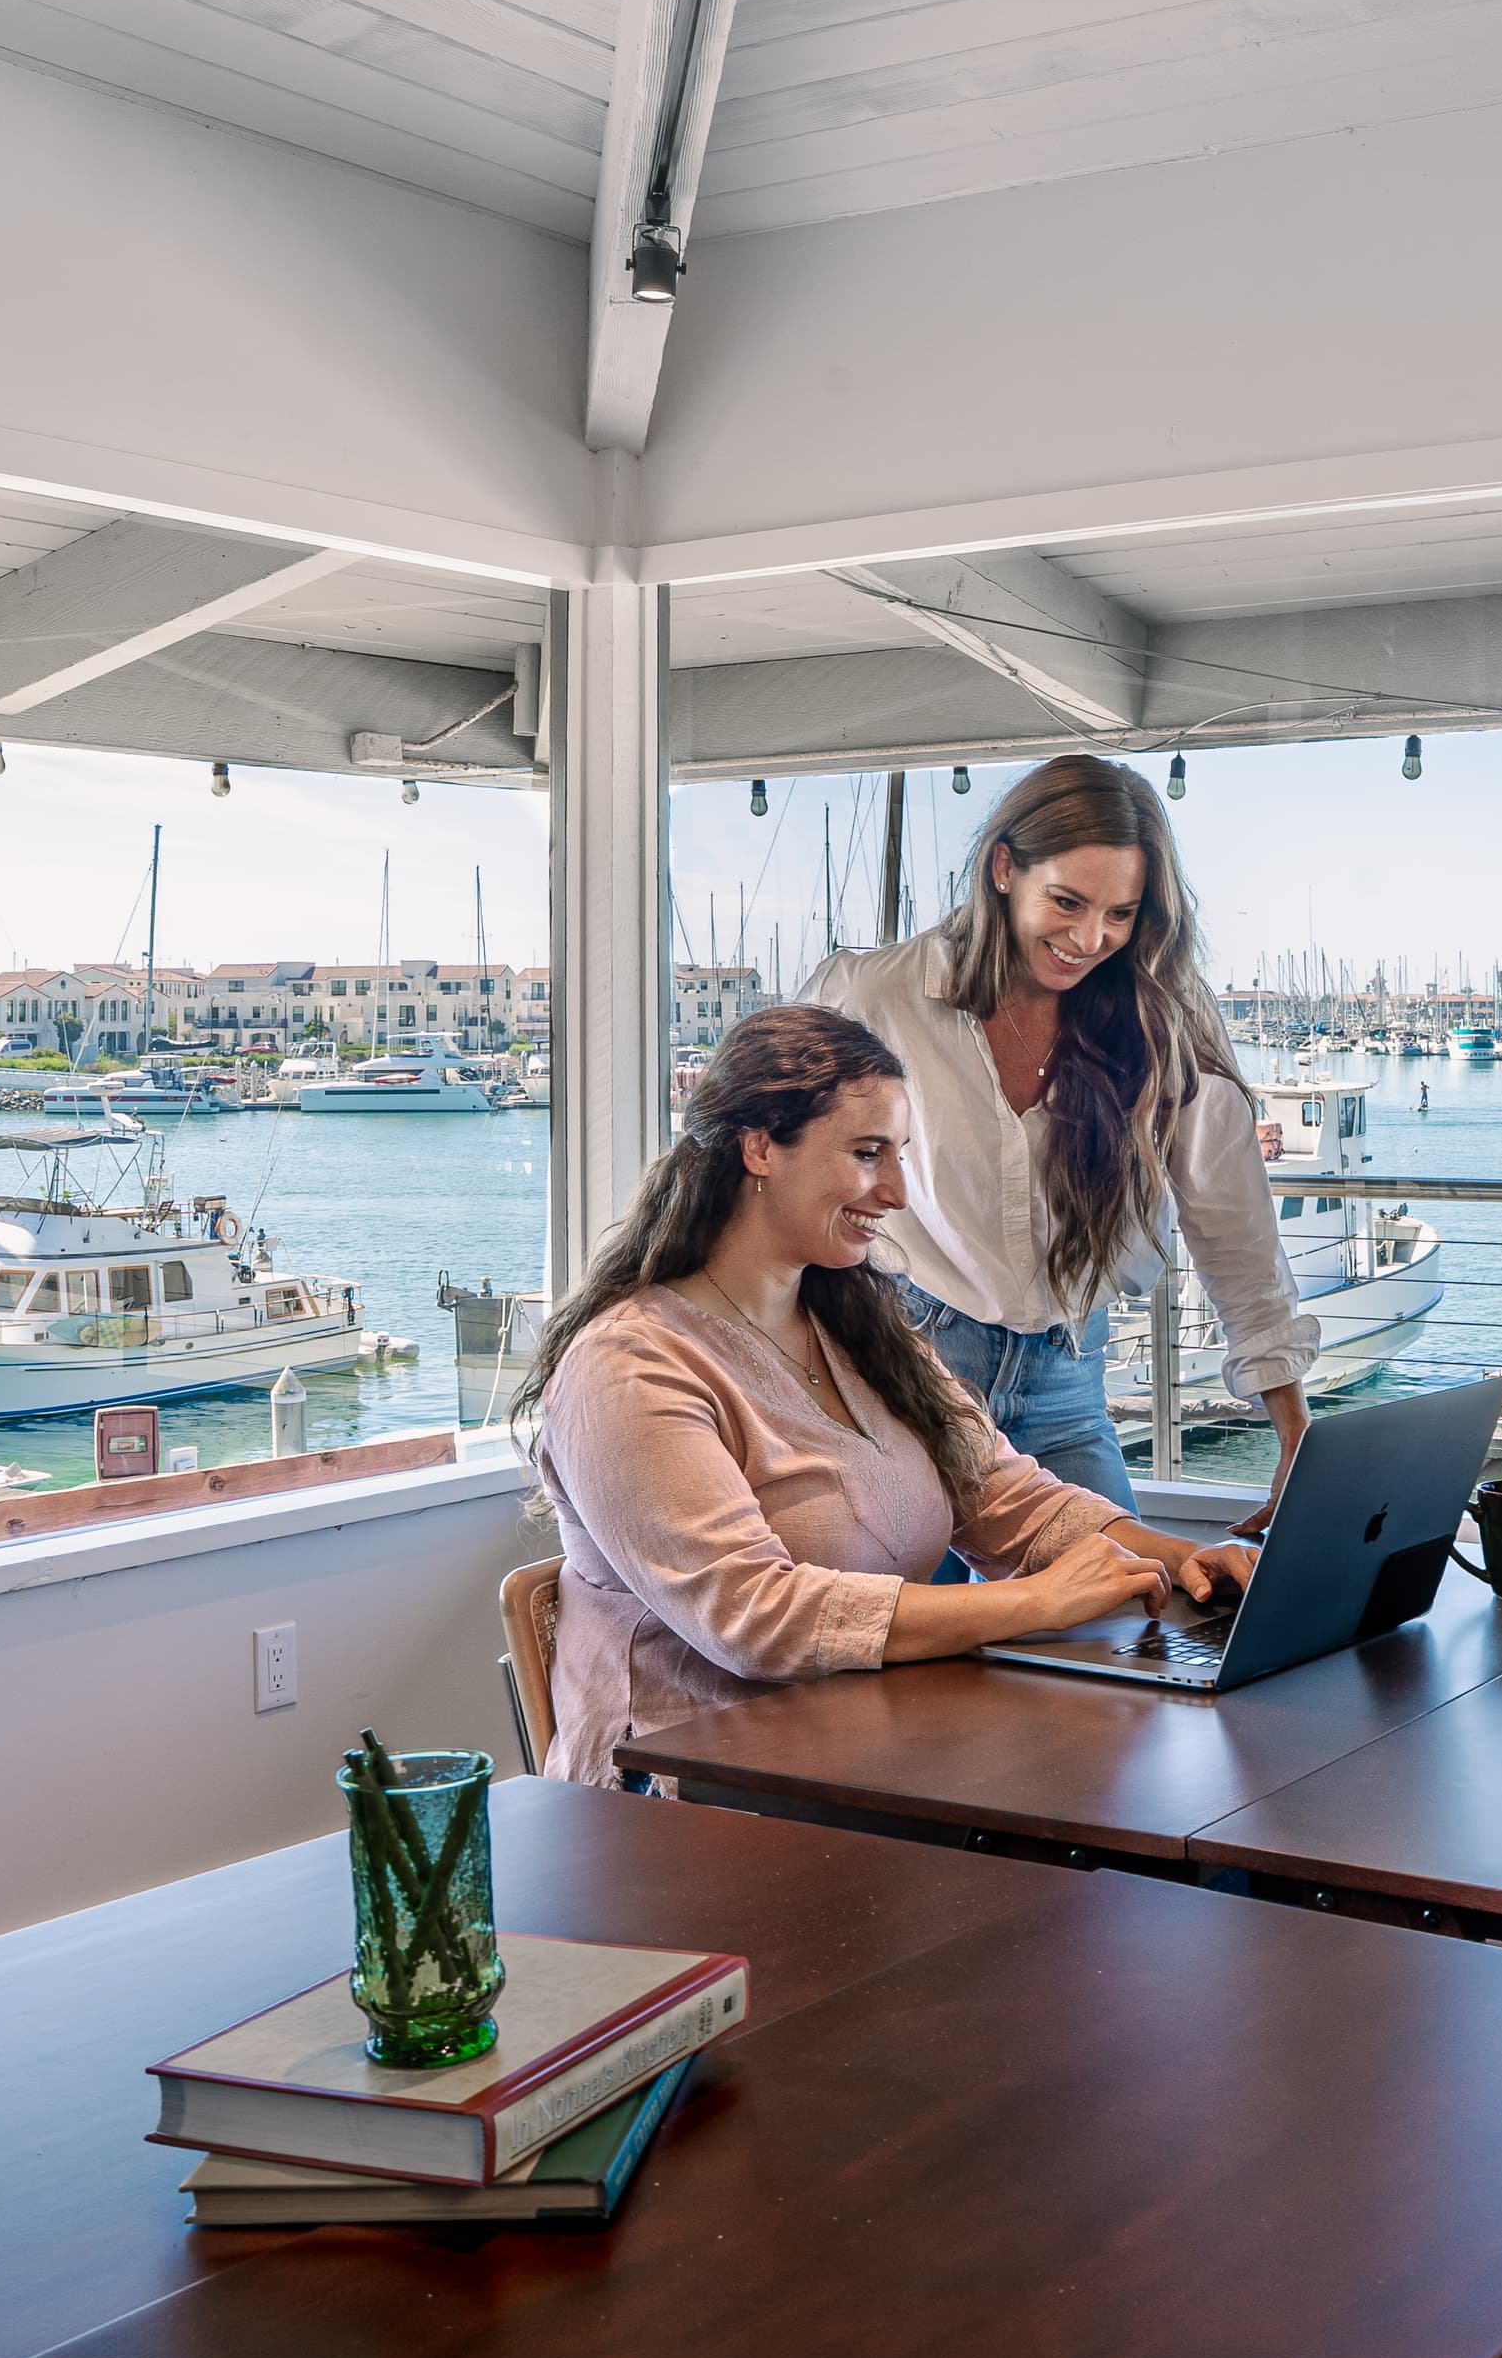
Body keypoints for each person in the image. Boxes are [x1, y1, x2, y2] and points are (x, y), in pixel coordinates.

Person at [522, 1004, 1254, 1788]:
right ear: (760, 1146)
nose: (899, 1192)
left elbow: (1007, 1498)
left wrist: (1186, 1559)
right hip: (692, 1798)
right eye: (870, 1154)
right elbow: (755, 1619)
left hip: (873, 1758)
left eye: (901, 1156)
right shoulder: (628, 1364)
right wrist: (1036, 1603)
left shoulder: (859, 1324)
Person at [808, 755, 1319, 1534]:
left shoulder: (1166, 1015)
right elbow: (763, 1168)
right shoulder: (876, 996)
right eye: (1068, 902)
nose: (1090, 939)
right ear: (1004, 868)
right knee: (919, 1640)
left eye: (1120, 914)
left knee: (1122, 1622)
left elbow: (1231, 1222)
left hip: (1066, 1381)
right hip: (900, 1371)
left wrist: (1293, 1432)